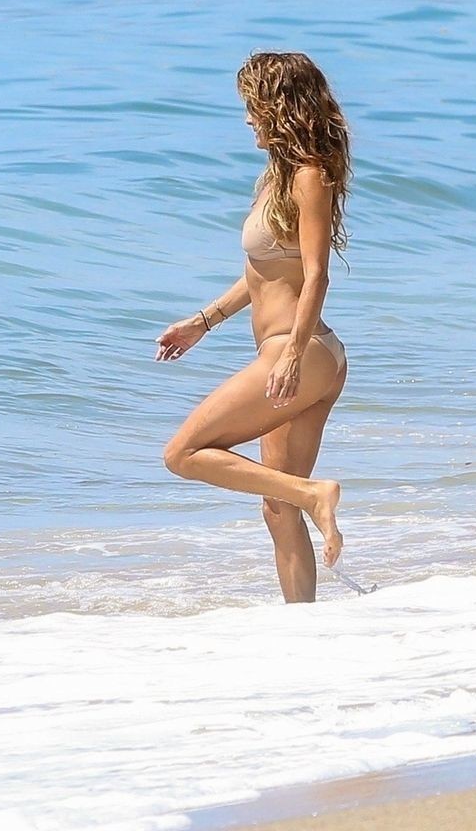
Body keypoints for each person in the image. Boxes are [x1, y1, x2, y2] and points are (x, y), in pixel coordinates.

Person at [156, 51, 352, 600]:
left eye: (253, 106)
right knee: (277, 506)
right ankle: (303, 625)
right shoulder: (276, 178)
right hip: (304, 352)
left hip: (300, 350)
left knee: (182, 455)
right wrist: (203, 321)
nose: (247, 118)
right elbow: (262, 273)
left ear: (279, 107)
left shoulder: (310, 177)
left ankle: (316, 494)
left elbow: (316, 274)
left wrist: (290, 354)